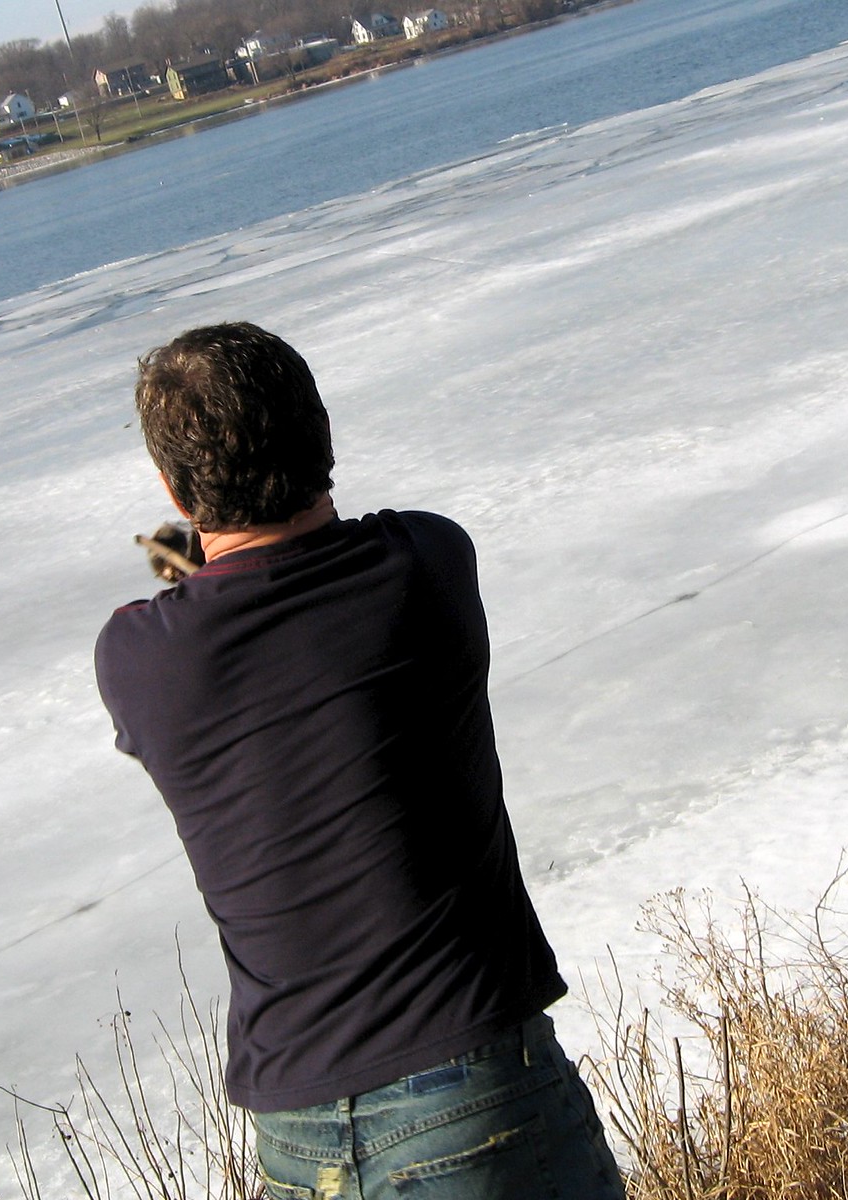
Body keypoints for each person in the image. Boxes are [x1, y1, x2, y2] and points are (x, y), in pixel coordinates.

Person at [94, 322, 625, 1199]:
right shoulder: (426, 564)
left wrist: (191, 554)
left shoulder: (140, 661)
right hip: (471, 1090)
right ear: (323, 435)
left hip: (298, 1133)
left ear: (175, 490)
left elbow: (214, 599)